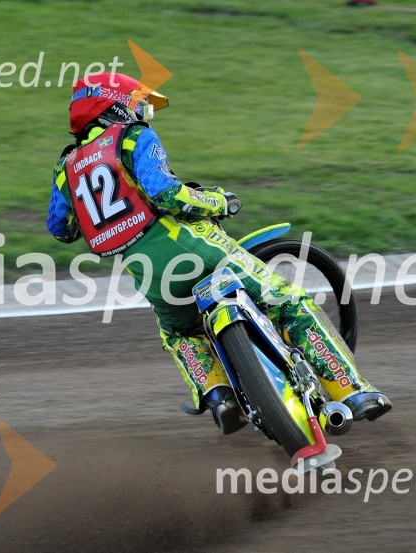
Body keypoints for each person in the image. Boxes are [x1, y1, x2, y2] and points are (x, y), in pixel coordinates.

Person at [47, 72, 391, 435]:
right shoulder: (132, 137)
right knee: (288, 301)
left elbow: (61, 229)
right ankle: (353, 392)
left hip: (145, 271)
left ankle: (219, 397)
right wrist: (217, 201)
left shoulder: (65, 167)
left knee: (180, 334)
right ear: (114, 107)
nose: (145, 113)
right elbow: (168, 195)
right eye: (139, 104)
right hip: (193, 246)